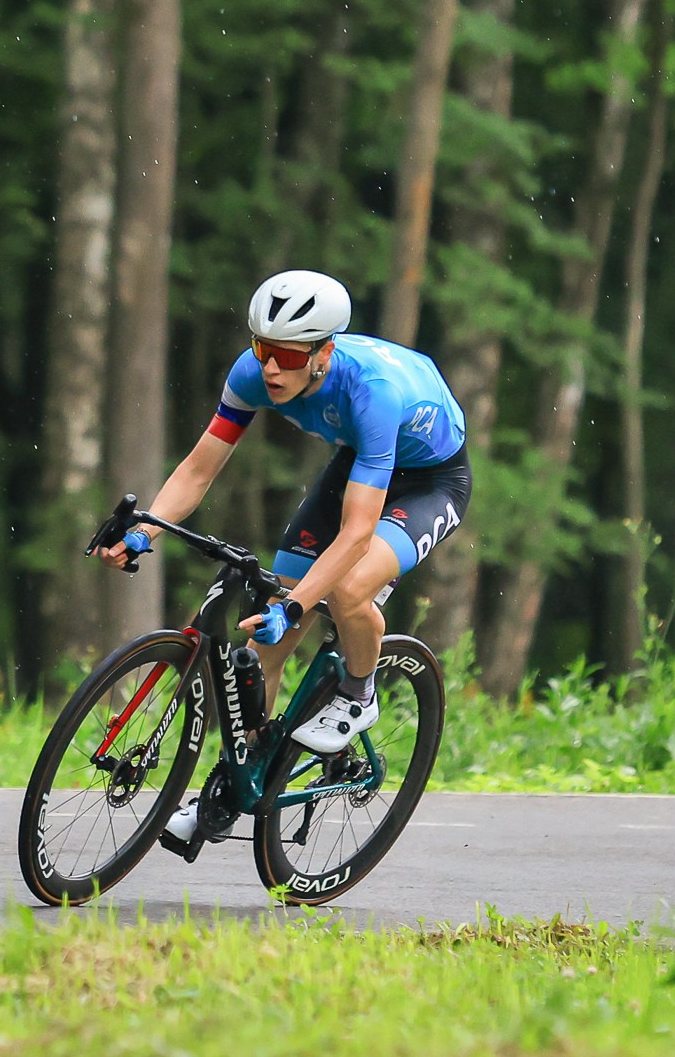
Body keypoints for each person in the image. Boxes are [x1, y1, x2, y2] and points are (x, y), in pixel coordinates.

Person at [97, 270, 469, 838]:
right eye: (263, 350)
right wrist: (149, 530)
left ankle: (359, 691)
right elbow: (198, 469)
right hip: (360, 460)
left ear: (324, 352)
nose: (271, 369)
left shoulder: (371, 393)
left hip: (430, 481)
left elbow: (356, 534)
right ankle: (232, 787)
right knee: (260, 646)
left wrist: (295, 606)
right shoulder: (252, 375)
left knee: (346, 589)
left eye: (289, 358)